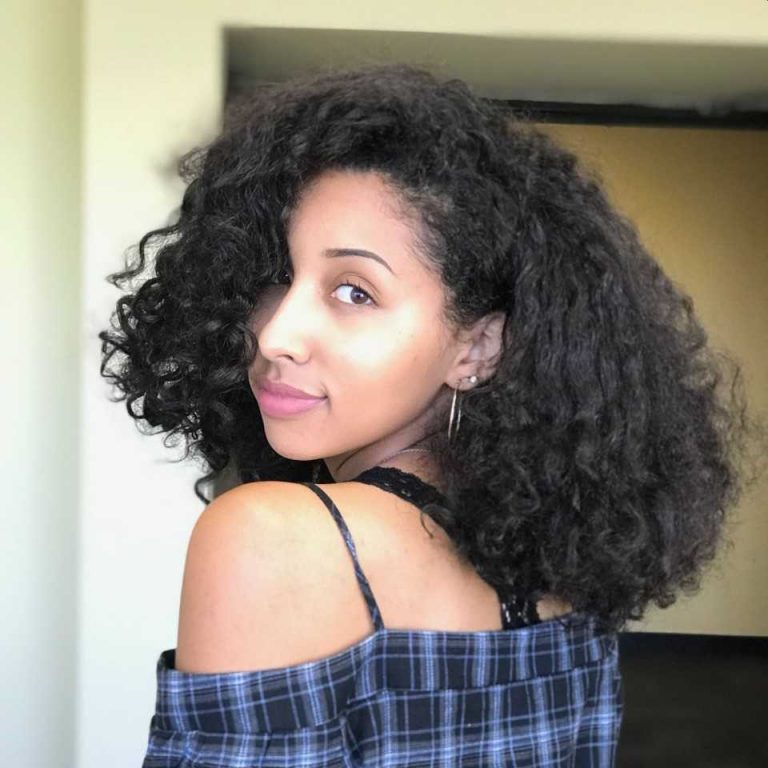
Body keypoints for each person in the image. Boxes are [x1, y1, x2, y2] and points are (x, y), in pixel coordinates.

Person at [98, 63, 759, 767]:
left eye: (354, 292)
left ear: (476, 345)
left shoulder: (273, 538)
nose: (274, 335)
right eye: (276, 279)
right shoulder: (566, 551)